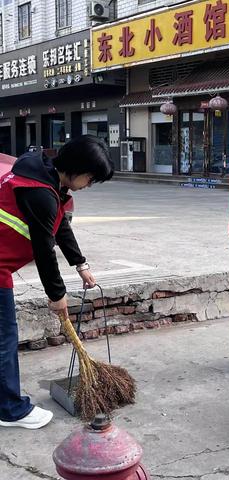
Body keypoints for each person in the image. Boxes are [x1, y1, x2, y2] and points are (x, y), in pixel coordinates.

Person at [0, 134, 114, 429]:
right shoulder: (40, 193)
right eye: (90, 178)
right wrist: (57, 295)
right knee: (5, 339)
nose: (89, 185)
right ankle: (11, 410)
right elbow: (44, 247)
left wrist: (81, 265)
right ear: (77, 169)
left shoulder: (43, 173)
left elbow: (60, 224)